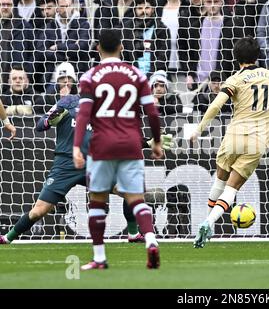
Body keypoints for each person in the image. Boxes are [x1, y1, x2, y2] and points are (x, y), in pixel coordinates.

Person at [0, 75, 173, 245]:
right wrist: (49, 121)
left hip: (95, 165)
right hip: (66, 165)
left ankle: (133, 234)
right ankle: (8, 237)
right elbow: (40, 125)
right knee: (39, 211)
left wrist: (149, 143)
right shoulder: (67, 102)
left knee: (131, 190)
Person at [72, 29, 163, 270]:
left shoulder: (90, 76)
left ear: (98, 48)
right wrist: (156, 141)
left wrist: (76, 147)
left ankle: (100, 257)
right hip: (131, 143)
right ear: (122, 47)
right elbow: (152, 112)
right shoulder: (137, 75)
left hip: (102, 145)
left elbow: (83, 115)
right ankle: (151, 241)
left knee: (98, 200)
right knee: (136, 198)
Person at [191, 37, 269, 248]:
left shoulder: (235, 79)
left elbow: (215, 106)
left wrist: (199, 129)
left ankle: (207, 224)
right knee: (231, 189)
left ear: (236, 58)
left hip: (234, 136)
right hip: (258, 141)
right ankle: (209, 222)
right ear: (258, 56)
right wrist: (265, 113)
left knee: (219, 182)